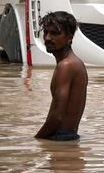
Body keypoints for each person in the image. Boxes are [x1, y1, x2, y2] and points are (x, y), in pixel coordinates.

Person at [34, 11, 88, 141]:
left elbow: (57, 116)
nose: (47, 38)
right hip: (67, 138)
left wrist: (36, 140)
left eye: (54, 33)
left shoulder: (66, 66)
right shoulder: (74, 63)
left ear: (69, 38)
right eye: (46, 32)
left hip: (60, 138)